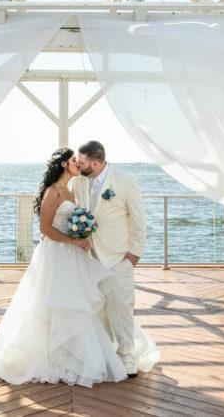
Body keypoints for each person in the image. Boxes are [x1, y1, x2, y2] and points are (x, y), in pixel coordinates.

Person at [0, 148, 128, 387]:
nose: (78, 163)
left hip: (72, 255)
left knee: (74, 303)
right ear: (64, 164)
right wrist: (73, 240)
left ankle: (70, 356)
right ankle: (48, 357)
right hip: (55, 255)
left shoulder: (72, 190)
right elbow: (45, 229)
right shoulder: (52, 192)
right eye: (74, 160)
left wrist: (82, 233)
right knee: (49, 304)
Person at [71, 140, 158, 377]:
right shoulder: (78, 182)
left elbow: (139, 220)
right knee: (98, 309)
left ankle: (127, 357)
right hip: (90, 258)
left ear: (96, 163)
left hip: (119, 258)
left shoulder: (126, 181)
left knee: (121, 309)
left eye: (82, 161)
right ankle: (105, 354)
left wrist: (134, 255)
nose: (78, 165)